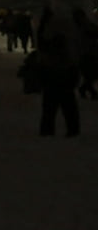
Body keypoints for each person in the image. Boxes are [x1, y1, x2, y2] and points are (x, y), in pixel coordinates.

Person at [36, 7, 79, 137]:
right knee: (69, 107)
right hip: (65, 76)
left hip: (52, 76)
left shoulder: (48, 37)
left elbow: (42, 44)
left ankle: (47, 131)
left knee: (49, 107)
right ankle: (72, 130)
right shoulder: (69, 35)